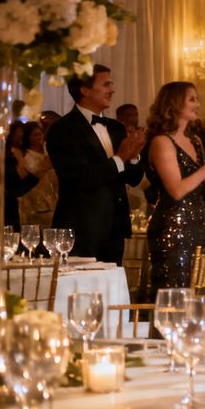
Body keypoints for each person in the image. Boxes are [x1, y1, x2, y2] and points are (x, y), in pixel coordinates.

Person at [47, 65, 147, 264]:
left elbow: (134, 179)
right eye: (106, 84)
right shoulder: (62, 129)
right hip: (80, 229)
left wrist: (134, 156)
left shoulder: (116, 128)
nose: (113, 90)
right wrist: (120, 158)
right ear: (85, 90)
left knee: (113, 283)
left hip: (115, 228)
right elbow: (80, 178)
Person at [144, 82, 205, 296]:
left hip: (199, 224)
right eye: (192, 99)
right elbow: (176, 190)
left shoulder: (195, 141)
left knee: (199, 290)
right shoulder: (162, 142)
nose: (198, 104)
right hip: (172, 227)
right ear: (174, 103)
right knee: (174, 291)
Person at [16, 122, 58, 230]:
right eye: (36, 135)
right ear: (28, 138)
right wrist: (43, 167)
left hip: (52, 203)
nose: (40, 137)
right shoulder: (26, 157)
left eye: (41, 134)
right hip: (35, 205)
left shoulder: (47, 152)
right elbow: (29, 180)